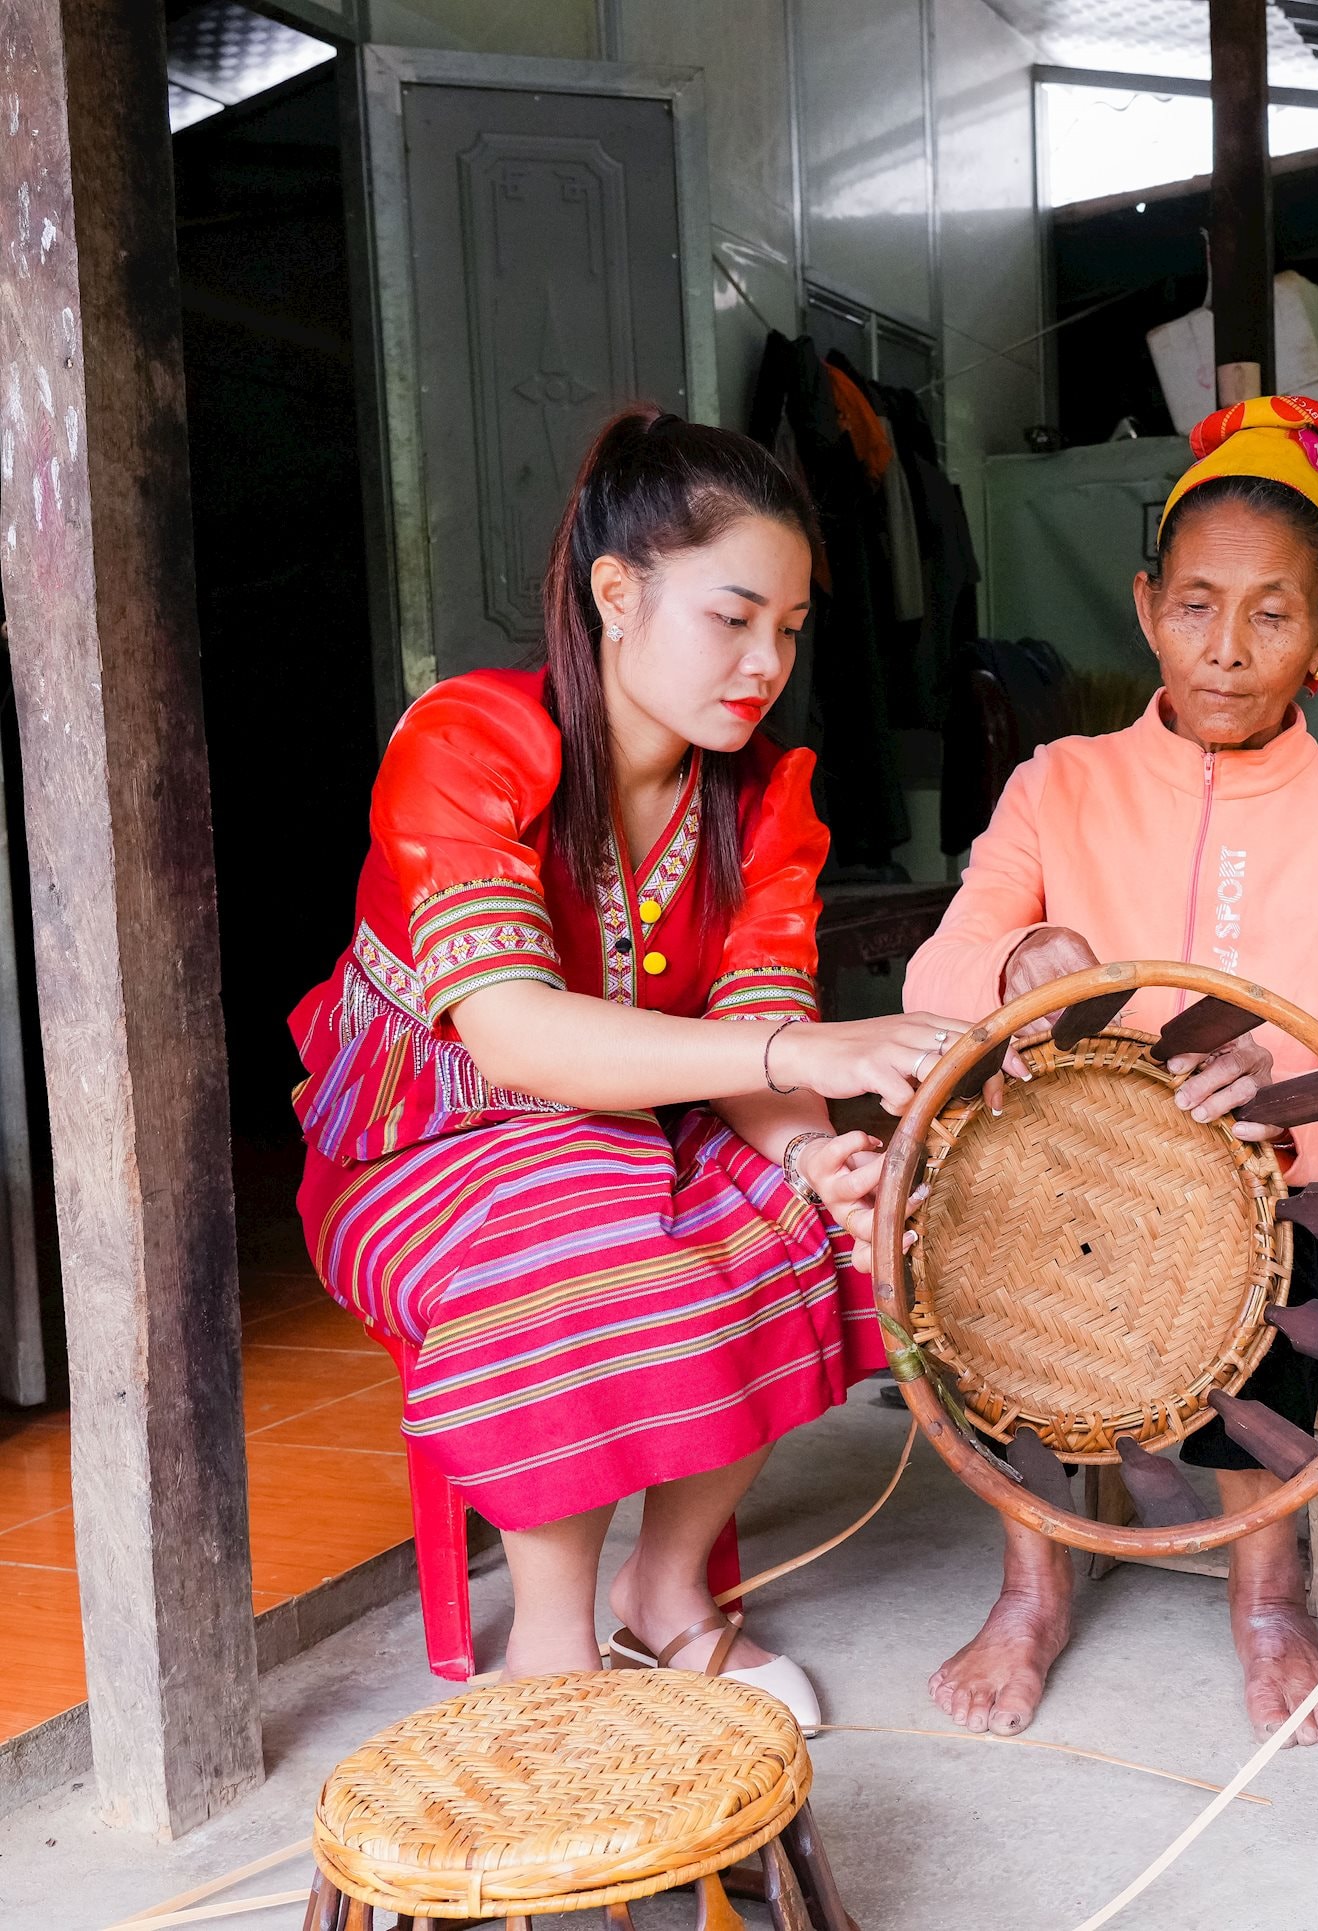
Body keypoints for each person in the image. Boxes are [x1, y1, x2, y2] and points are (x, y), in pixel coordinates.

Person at [291, 408, 983, 1719]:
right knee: (584, 1207)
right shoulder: (469, 742)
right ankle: (546, 1643)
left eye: (788, 627)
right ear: (618, 593)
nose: (766, 660)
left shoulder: (769, 800)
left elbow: (758, 1051)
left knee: (831, 1218)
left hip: (637, 1129)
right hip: (416, 1144)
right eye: (733, 618)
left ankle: (665, 1593)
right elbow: (511, 1035)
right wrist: (806, 1046)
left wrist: (816, 1152)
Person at [904, 395, 1318, 1749]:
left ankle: (1266, 1594)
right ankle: (1032, 1585)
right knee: (977, 1230)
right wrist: (1023, 962)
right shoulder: (1058, 783)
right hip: (1072, 1179)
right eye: (1198, 603)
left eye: (1273, 613)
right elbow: (933, 985)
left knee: (1303, 1258)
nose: (1227, 647)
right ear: (1147, 609)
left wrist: (1270, 1100)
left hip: (1279, 1186)